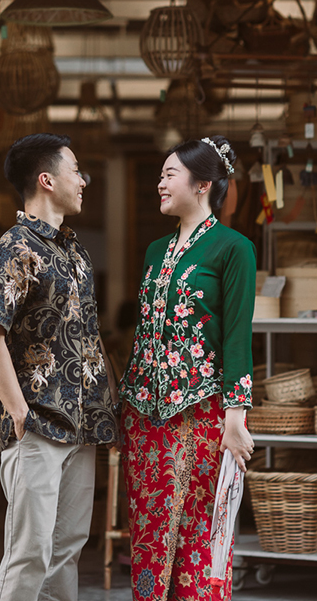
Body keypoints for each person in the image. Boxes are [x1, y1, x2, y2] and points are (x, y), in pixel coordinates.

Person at [0, 133, 119, 601]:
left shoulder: (75, 253)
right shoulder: (15, 248)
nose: (83, 180)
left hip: (83, 427)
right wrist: (19, 413)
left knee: (67, 551)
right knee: (30, 551)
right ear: (46, 179)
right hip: (37, 423)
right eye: (75, 170)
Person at [119, 135, 256, 600]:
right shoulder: (155, 251)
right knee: (149, 537)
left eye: (168, 174)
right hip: (144, 420)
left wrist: (235, 419)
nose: (159, 183)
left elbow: (238, 334)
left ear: (202, 185)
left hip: (200, 416)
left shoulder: (233, 248)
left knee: (199, 537)